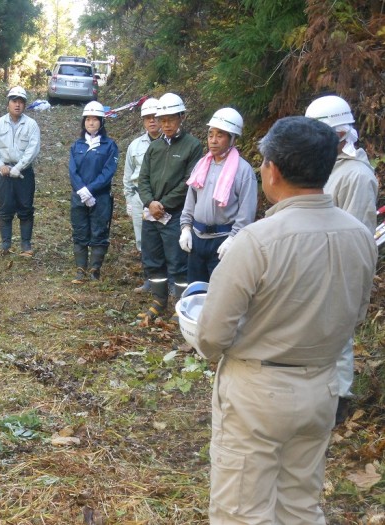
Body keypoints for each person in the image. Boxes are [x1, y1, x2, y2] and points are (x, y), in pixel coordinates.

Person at [197, 116, 377, 525]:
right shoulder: (360, 237)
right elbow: (356, 313)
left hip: (259, 390)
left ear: (273, 171)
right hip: (321, 386)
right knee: (300, 504)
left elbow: (211, 335)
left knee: (242, 511)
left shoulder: (257, 241)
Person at [305, 94, 380, 423]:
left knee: (337, 339)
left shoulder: (357, 176)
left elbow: (358, 235)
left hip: (339, 270)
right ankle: (318, 395)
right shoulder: (328, 168)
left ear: (338, 136)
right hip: (317, 265)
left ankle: (338, 402)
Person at [136, 92, 203, 320]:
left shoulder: (192, 146)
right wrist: (150, 202)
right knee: (152, 260)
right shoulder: (154, 147)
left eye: (171, 119)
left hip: (174, 215)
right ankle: (159, 300)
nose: (166, 124)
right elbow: (142, 179)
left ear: (181, 117)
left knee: (178, 263)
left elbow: (189, 182)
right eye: (162, 119)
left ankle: (182, 305)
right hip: (152, 214)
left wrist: (163, 204)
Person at [179, 108, 257, 283]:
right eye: (210, 134)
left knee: (219, 292)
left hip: (223, 241)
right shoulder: (202, 165)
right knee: (195, 289)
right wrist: (185, 228)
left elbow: (247, 212)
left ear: (232, 138)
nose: (213, 141)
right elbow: (191, 199)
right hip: (197, 238)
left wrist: (233, 239)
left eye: (220, 135)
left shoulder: (243, 171)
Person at [0, 86, 41, 256]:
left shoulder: (31, 124)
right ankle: (6, 244)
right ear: (8, 104)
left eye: (21, 102)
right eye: (14, 101)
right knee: (5, 208)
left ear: (24, 105)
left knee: (26, 207)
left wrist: (19, 167)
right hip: (4, 172)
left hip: (24, 173)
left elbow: (33, 148)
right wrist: (0, 164)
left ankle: (26, 244)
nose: (17, 105)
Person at [68, 101, 119, 283]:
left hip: (101, 197)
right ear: (83, 122)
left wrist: (91, 191)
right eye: (88, 119)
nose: (91, 123)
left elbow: (108, 171)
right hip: (78, 196)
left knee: (99, 232)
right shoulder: (77, 146)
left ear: (102, 122)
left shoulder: (109, 145)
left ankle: (95, 269)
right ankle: (81, 269)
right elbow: (72, 170)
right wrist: (82, 191)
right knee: (80, 231)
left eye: (95, 119)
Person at [123, 97, 161, 252]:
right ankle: (148, 271)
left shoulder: (170, 143)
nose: (151, 121)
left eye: (155, 117)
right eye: (147, 118)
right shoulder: (135, 145)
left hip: (163, 199)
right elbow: (128, 175)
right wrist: (129, 200)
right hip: (140, 198)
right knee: (142, 240)